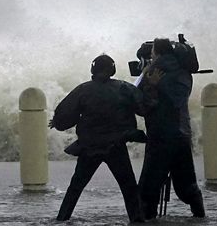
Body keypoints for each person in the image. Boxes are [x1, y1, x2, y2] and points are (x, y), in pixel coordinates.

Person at [49, 54, 149, 223]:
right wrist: (151, 85)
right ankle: (137, 220)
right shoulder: (124, 88)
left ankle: (61, 219)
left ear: (93, 70)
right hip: (116, 146)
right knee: (129, 187)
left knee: (76, 187)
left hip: (90, 147)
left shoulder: (83, 89)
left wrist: (57, 123)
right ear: (113, 69)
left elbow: (65, 115)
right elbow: (144, 108)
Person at [138, 38, 205, 219]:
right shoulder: (184, 73)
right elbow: (177, 100)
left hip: (160, 136)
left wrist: (149, 85)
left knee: (148, 188)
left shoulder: (152, 72)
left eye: (152, 53)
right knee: (187, 184)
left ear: (157, 53)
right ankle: (200, 216)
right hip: (182, 135)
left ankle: (149, 220)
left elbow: (142, 106)